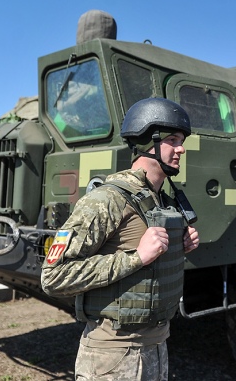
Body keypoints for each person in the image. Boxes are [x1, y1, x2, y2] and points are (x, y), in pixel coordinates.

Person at [41, 97, 200, 381]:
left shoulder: (162, 200)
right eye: (173, 140)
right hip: (113, 356)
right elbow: (53, 276)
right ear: (148, 142)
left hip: (156, 346)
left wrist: (179, 245)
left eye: (182, 141)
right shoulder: (106, 200)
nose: (181, 149)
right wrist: (136, 257)